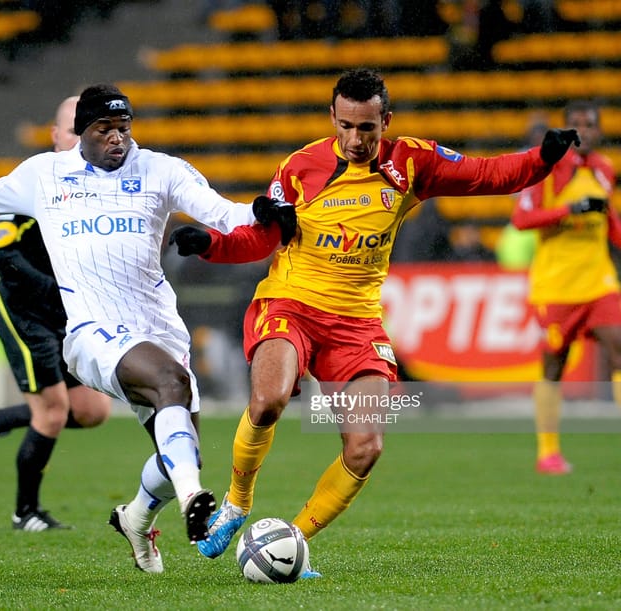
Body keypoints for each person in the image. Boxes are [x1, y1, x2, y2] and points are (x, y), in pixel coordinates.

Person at [168, 68, 578, 573]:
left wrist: (543, 158)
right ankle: (237, 503)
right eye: (345, 126)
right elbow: (264, 237)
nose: (355, 139)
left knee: (365, 447)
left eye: (367, 128)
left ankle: (289, 541)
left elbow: (487, 174)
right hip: (290, 303)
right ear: (332, 118)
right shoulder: (300, 168)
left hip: (357, 322)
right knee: (269, 397)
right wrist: (211, 244)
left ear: (386, 120)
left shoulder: (413, 162)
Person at [0, 83, 261, 573]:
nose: (117, 139)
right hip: (91, 333)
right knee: (171, 386)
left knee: (177, 454)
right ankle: (195, 502)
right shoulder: (44, 175)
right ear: (81, 132)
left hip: (159, 328)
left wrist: (265, 212)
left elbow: (224, 212)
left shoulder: (160, 169)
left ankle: (136, 518)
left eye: (123, 129)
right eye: (104, 129)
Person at [0, 96, 113, 532]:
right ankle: (24, 512)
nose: (81, 138)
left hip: (66, 316)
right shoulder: (35, 183)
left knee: (92, 412)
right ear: (55, 135)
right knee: (51, 411)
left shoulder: (102, 183)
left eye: (92, 129)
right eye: (73, 129)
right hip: (25, 312)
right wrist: (49, 289)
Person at [510, 100, 620, 475]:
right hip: (556, 286)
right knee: (553, 364)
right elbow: (522, 219)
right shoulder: (550, 168)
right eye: (576, 126)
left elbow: (609, 219)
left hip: (598, 280)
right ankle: (548, 452)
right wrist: (569, 211)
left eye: (590, 125)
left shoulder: (605, 170)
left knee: (619, 343)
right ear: (567, 130)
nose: (584, 132)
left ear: (599, 131)